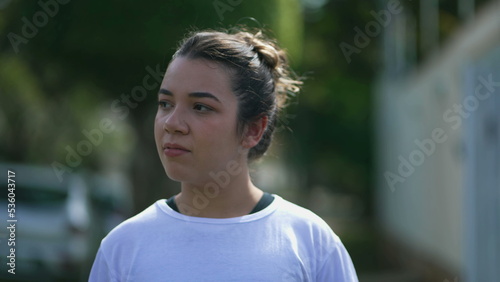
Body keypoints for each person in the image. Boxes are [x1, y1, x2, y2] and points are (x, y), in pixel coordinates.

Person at [89, 27, 359, 281]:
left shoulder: (311, 243)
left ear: (253, 129)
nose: (171, 123)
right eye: (165, 103)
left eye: (201, 107)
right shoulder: (123, 247)